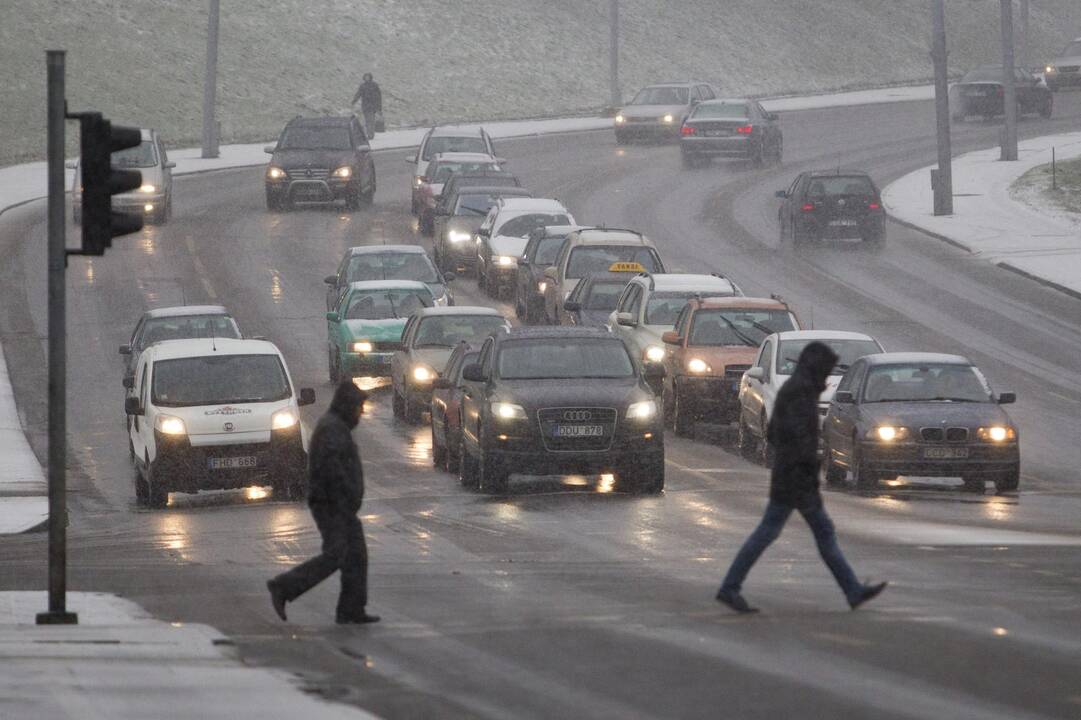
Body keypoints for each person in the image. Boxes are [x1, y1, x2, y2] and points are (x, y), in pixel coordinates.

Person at [716, 341, 887, 613]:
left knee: (785, 533)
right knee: (793, 534)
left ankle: (852, 590)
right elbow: (799, 440)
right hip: (797, 479)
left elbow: (774, 434)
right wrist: (805, 466)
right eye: (826, 369)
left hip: (790, 475)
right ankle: (730, 587)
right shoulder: (801, 394)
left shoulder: (793, 390)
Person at [267, 381, 379, 624]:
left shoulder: (337, 427)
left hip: (339, 504)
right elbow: (333, 470)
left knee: (356, 555)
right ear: (348, 406)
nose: (361, 412)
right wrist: (346, 496)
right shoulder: (332, 430)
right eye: (359, 406)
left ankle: (351, 609)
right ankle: (284, 586)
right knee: (336, 555)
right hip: (332, 504)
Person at [352, 73, 382, 140]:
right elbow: (358, 93)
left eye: (368, 77)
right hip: (365, 106)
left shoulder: (374, 85)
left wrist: (379, 108)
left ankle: (370, 135)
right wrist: (354, 100)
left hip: (372, 106)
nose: (367, 78)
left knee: (371, 121)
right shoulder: (363, 86)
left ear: (370, 77)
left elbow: (379, 97)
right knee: (367, 121)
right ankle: (369, 134)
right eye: (366, 77)